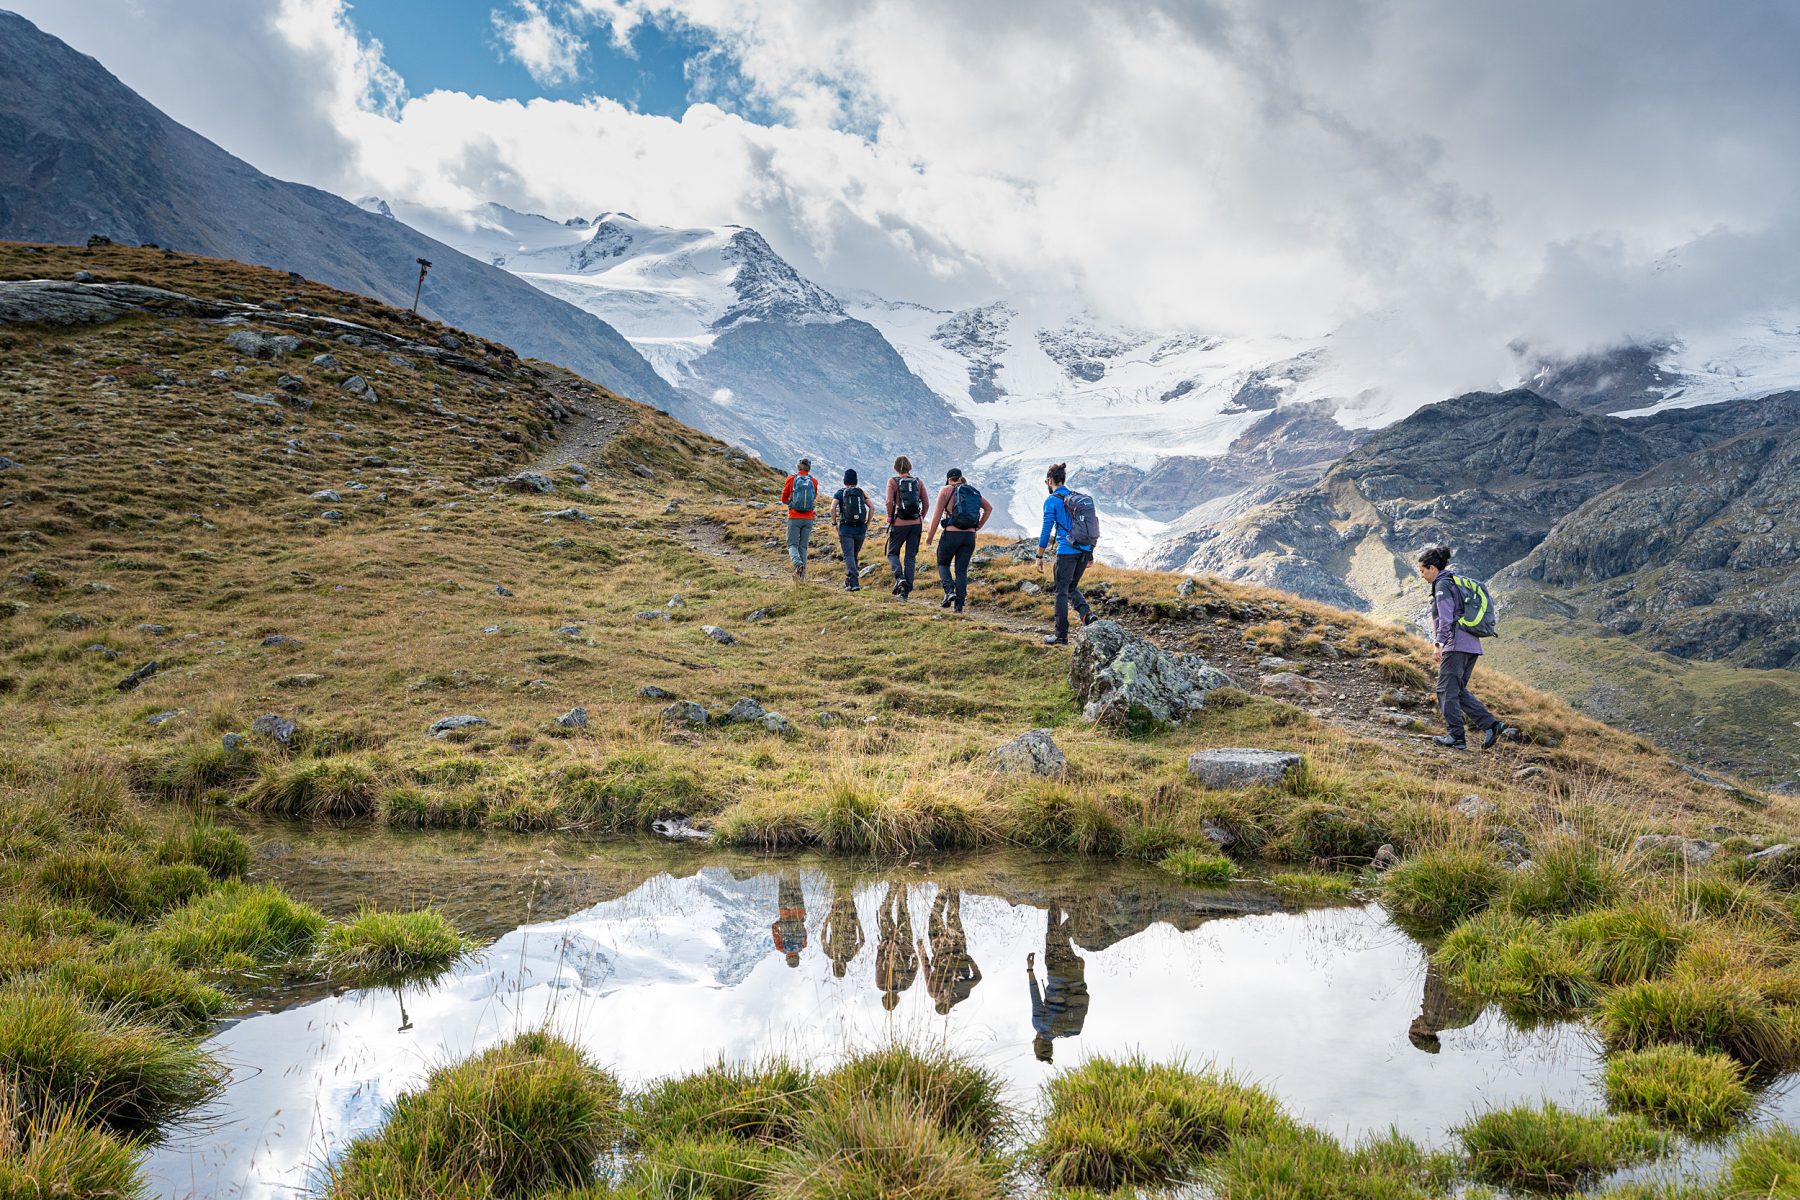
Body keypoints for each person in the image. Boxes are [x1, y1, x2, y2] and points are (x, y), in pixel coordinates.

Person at [1417, 544, 1502, 750]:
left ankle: (1456, 737)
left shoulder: (1442, 585)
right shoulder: (1454, 582)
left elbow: (1446, 618)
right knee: (1457, 690)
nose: (1422, 576)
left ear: (1432, 568)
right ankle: (1491, 725)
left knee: (1445, 690)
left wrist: (1439, 644)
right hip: (1471, 645)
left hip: (1455, 645)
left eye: (1422, 571)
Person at [1036, 462, 1096, 644]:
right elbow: (1089, 526)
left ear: (1049, 481)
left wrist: (1039, 556)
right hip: (1084, 550)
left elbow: (1046, 529)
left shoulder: (1052, 501)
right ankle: (1086, 615)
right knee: (1071, 587)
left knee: (1061, 591)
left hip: (1067, 551)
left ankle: (1060, 635)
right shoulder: (1076, 499)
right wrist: (1090, 554)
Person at [1027, 901, 1089, 1063]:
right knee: (1055, 935)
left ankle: (1067, 903)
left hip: (1076, 974)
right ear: (1037, 1043)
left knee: (1057, 935)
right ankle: (1084, 907)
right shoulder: (1039, 1025)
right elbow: (1035, 996)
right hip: (1057, 970)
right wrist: (1030, 969)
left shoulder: (1067, 1029)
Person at [925, 468, 993, 612]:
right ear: (961, 478)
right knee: (961, 571)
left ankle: (949, 591)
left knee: (943, 563)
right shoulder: (972, 491)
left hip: (951, 535)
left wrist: (929, 538)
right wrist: (978, 526)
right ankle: (959, 606)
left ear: (949, 479)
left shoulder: (946, 490)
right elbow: (988, 508)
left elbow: (936, 516)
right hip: (969, 537)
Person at [917, 888, 981, 1015]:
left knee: (953, 915)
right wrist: (921, 949)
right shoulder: (934, 992)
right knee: (936, 916)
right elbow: (926, 968)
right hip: (940, 948)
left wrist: (969, 960)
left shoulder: (962, 994)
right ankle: (945, 888)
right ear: (938, 1003)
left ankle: (953, 887)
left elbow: (978, 978)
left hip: (958, 947)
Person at [884, 455, 927, 599]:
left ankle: (899, 577)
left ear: (896, 468)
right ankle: (905, 593)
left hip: (899, 523)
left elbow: (889, 501)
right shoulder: (918, 482)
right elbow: (926, 503)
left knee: (892, 553)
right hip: (916, 524)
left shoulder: (892, 481)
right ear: (910, 467)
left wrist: (890, 517)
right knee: (910, 557)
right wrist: (921, 517)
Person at [874, 882, 918, 1011]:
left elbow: (915, 965)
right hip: (890, 942)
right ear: (884, 998)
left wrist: (910, 949)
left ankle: (901, 883)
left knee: (903, 910)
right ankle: (895, 885)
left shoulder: (905, 985)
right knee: (885, 913)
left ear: (897, 1000)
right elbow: (879, 963)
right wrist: (882, 947)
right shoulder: (881, 985)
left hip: (904, 943)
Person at [830, 469, 872, 592]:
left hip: (846, 529)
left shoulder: (840, 493)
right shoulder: (861, 493)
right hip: (860, 529)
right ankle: (848, 581)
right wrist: (867, 523)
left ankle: (854, 583)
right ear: (856, 480)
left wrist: (834, 522)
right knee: (853, 556)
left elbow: (832, 508)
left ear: (845, 481)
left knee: (848, 556)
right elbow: (872, 507)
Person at [780, 458, 819, 582]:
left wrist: (792, 503)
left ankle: (798, 564)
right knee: (803, 547)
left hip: (794, 517)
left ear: (798, 466)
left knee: (792, 544)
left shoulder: (791, 479)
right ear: (809, 468)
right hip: (809, 518)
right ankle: (801, 578)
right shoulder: (813, 481)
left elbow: (783, 498)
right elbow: (814, 497)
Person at [821, 883, 864, 979]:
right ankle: (846, 878)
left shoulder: (831, 954)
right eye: (841, 967)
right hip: (847, 920)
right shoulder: (849, 956)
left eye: (837, 967)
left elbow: (823, 939)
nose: (839, 965)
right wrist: (858, 924)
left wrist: (827, 921)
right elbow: (862, 942)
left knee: (840, 893)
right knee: (846, 893)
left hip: (841, 920)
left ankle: (841, 878)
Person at [770, 871, 807, 968]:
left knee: (796, 884)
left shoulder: (803, 945)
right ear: (787, 958)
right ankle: (782, 866)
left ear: (798, 957)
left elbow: (804, 930)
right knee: (783, 885)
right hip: (784, 912)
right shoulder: (781, 947)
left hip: (799, 911)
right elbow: (774, 928)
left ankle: (795, 867)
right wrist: (781, 923)